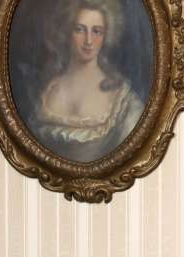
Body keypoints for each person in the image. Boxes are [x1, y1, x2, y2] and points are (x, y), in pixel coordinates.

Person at [31, 0, 145, 162]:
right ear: (66, 32)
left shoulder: (122, 99)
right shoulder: (48, 90)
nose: (88, 41)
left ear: (106, 35)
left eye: (97, 31)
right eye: (79, 29)